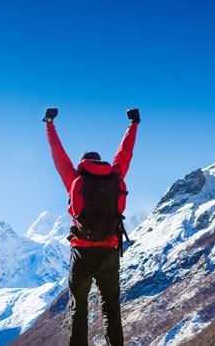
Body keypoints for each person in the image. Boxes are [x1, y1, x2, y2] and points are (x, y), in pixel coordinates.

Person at [43, 107, 139, 346]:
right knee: (111, 308)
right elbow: (125, 153)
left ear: (83, 163)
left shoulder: (75, 179)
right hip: (109, 251)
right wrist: (133, 124)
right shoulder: (115, 175)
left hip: (82, 252)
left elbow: (58, 155)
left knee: (79, 308)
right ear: (100, 162)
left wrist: (49, 123)